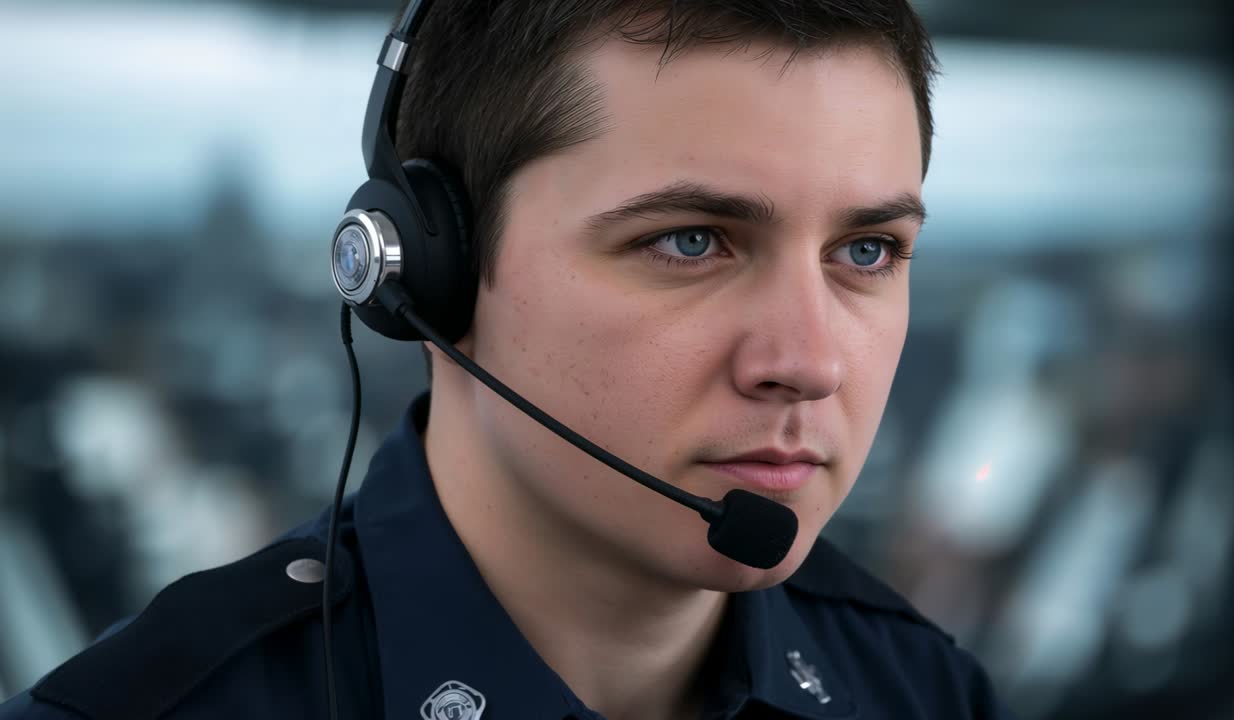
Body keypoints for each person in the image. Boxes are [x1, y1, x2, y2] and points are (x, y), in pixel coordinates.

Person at [1, 0, 1016, 718]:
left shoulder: (926, 692)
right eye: (691, 241)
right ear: (429, 273)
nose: (809, 362)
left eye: (866, 252)